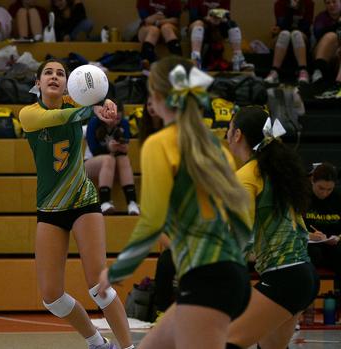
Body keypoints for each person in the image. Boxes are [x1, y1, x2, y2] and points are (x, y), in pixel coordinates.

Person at [98, 56, 253, 349]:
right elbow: (242, 215)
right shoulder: (213, 145)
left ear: (156, 98)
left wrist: (116, 271)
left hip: (206, 278)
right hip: (230, 275)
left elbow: (151, 222)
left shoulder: (159, 144)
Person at [18, 59, 134, 349]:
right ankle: (97, 343)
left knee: (99, 286)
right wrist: (93, 107)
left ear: (68, 83)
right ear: (38, 83)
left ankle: (129, 347)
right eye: (48, 73)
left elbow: (99, 94)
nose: (54, 77)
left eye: (60, 73)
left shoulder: (75, 103)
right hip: (50, 208)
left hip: (83, 202)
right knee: (52, 298)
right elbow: (61, 118)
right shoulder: (29, 114)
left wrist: (105, 102)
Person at [225, 106, 319, 349]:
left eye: (229, 127)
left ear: (237, 135)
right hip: (304, 274)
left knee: (225, 342)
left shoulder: (246, 176)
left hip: (283, 278)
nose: (226, 133)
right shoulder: (278, 172)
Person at [84, 105, 140, 216]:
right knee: (109, 159)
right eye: (112, 118)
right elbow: (94, 149)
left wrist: (123, 149)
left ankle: (132, 202)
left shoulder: (123, 124)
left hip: (113, 167)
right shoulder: (94, 123)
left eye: (117, 119)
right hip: (91, 164)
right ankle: (104, 202)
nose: (114, 122)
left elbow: (124, 146)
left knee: (123, 158)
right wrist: (108, 148)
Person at [304, 162, 341, 295]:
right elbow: (289, 227)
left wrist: (337, 237)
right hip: (309, 243)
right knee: (313, 254)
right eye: (321, 188)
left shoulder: (337, 198)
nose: (325, 193)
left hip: (332, 243)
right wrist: (307, 235)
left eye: (329, 189)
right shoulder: (301, 197)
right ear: (312, 181)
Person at [188, 0, 253, 71]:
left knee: (233, 24)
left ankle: (238, 58)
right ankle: (196, 58)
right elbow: (193, 17)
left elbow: (227, 16)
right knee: (198, 23)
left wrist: (221, 19)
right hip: (200, 24)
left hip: (218, 25)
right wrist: (207, 19)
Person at [265, 0, 315, 84]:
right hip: (283, 34)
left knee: (296, 34)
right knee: (285, 34)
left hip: (302, 34)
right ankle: (274, 72)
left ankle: (303, 71)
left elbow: (306, 26)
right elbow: (281, 25)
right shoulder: (279, 3)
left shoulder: (309, 3)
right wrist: (290, 10)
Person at [135, 0, 183, 66]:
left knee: (166, 28)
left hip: (168, 32)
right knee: (154, 30)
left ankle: (179, 63)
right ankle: (145, 62)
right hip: (148, 31)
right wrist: (164, 19)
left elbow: (175, 20)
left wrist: (157, 22)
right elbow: (147, 20)